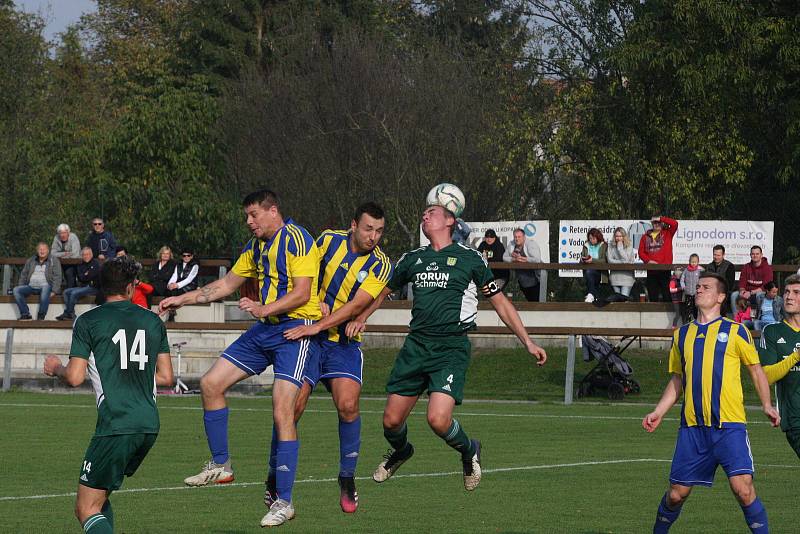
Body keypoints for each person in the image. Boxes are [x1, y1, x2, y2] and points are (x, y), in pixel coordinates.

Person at [158, 189, 321, 528]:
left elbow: (303, 292)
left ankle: (284, 502)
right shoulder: (256, 247)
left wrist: (263, 308)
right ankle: (221, 466)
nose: (249, 222)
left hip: (295, 330)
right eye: (247, 216)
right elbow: (225, 286)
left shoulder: (298, 239)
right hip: (266, 329)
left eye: (253, 215)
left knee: (282, 411)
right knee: (210, 383)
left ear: (272, 210)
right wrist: (181, 300)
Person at [359, 204, 547, 493]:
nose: (424, 215)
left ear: (450, 221)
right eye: (422, 212)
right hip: (416, 346)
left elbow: (500, 303)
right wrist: (361, 318)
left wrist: (528, 341)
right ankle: (402, 451)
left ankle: (469, 449)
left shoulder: (470, 259)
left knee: (437, 419)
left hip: (450, 348)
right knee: (391, 422)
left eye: (431, 212)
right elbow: (382, 293)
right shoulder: (412, 259)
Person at [42, 256, 174, 534]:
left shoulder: (89, 321)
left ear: (102, 287)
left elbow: (75, 377)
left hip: (116, 423)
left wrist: (55, 368)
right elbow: (166, 377)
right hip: (148, 423)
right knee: (99, 499)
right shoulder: (152, 321)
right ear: (130, 287)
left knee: (86, 508)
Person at [642, 272, 779, 534]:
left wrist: (766, 404)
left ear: (720, 296)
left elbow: (756, 370)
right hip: (693, 429)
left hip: (729, 427)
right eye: (698, 286)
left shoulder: (736, 331)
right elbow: (677, 380)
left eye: (706, 287)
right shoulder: (681, 335)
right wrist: (658, 411)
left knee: (743, 489)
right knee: (676, 495)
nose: (699, 290)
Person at [279, 202, 392, 514]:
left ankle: (347, 477)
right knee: (292, 407)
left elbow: (357, 304)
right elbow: (304, 275)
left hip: (342, 343)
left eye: (379, 231)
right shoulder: (328, 240)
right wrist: (315, 304)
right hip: (311, 340)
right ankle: (275, 477)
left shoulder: (381, 264)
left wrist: (329, 321)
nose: (374, 236)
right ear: (353, 224)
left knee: (348, 405)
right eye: (368, 228)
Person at [758, 274, 800, 459]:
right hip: (795, 419)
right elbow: (766, 376)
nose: (789, 296)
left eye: (796, 292)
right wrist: (796, 356)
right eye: (787, 292)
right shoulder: (773, 331)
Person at [13, 242, 62, 321]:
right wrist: (21, 285)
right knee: (16, 290)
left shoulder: (54, 260)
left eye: (44, 249)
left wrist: (55, 291)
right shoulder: (31, 260)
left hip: (46, 286)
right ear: (37, 250)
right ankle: (25, 314)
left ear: (48, 251)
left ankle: (41, 315)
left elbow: (58, 276)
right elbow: (24, 274)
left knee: (46, 288)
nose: (42, 251)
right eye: (40, 249)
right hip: (31, 286)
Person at [638, 215, 678, 302]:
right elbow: (641, 252)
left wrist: (661, 218)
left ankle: (668, 315)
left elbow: (675, 224)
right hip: (652, 270)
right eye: (655, 223)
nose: (657, 224)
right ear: (652, 224)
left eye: (659, 222)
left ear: (662, 223)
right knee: (653, 296)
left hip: (665, 269)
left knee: (666, 295)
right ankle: (653, 315)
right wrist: (648, 261)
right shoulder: (645, 236)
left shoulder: (668, 233)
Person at [57, 247, 101, 321]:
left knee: (74, 293)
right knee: (65, 292)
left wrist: (86, 275)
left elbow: (92, 275)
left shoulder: (96, 263)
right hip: (83, 286)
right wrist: (87, 275)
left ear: (91, 255)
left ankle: (68, 313)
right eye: (84, 255)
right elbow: (81, 278)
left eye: (87, 254)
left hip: (93, 287)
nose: (86, 256)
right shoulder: (80, 265)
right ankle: (71, 313)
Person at [503, 228, 542, 302]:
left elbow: (537, 259)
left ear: (524, 237)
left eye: (519, 237)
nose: (517, 239)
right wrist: (513, 259)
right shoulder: (512, 244)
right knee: (529, 301)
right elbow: (504, 257)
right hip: (522, 281)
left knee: (536, 302)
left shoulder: (531, 244)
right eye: (515, 237)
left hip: (535, 280)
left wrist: (523, 259)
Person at [705, 245, 735, 315]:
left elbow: (729, 284)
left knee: (720, 299)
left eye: (718, 255)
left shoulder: (729, 266)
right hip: (710, 292)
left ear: (723, 255)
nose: (716, 257)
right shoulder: (709, 266)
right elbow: (706, 281)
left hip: (723, 292)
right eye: (715, 255)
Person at [579, 228, 607, 303]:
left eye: (593, 238)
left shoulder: (604, 245)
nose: (591, 240)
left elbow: (605, 260)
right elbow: (582, 258)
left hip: (600, 272)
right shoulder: (586, 245)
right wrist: (582, 260)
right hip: (588, 270)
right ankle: (593, 295)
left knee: (589, 273)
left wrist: (592, 260)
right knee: (588, 272)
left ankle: (591, 294)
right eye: (590, 238)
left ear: (598, 237)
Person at [606, 227, 635, 298]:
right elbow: (610, 260)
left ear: (624, 236)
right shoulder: (610, 245)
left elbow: (627, 260)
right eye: (616, 236)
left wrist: (620, 249)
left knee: (623, 299)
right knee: (617, 301)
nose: (618, 238)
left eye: (620, 236)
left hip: (626, 277)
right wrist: (622, 261)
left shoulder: (629, 245)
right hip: (615, 277)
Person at [51, 223, 81, 288]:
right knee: (53, 270)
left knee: (69, 272)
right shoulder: (56, 237)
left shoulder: (73, 237)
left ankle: (71, 291)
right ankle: (56, 290)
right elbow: (52, 253)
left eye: (64, 233)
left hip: (74, 263)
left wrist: (60, 255)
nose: (62, 235)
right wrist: (64, 254)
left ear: (68, 232)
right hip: (60, 263)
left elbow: (75, 254)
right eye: (60, 233)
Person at [679, 254, 704, 322]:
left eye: (695, 262)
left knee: (696, 308)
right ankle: (688, 322)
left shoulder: (700, 270)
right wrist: (683, 287)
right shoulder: (686, 270)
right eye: (692, 262)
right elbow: (682, 279)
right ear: (689, 261)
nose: (693, 263)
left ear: (698, 262)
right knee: (688, 309)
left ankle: (697, 321)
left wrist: (700, 288)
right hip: (688, 293)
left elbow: (703, 280)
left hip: (696, 294)